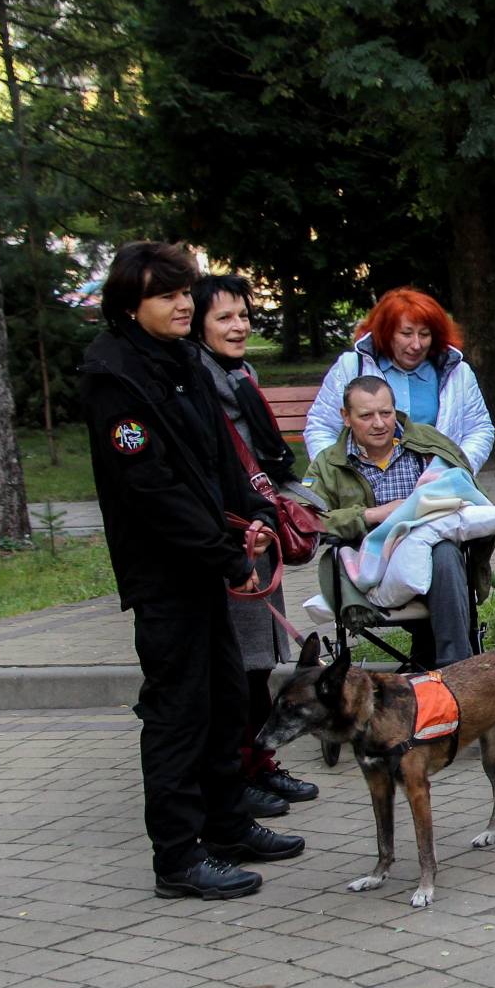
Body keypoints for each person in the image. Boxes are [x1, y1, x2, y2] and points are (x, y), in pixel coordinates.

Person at [79, 242, 305, 900]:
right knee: (178, 712)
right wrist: (225, 556)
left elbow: (219, 459)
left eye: (187, 292)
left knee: (226, 697)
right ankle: (177, 857)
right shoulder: (113, 375)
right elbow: (152, 491)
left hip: (208, 561)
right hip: (165, 575)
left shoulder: (182, 359)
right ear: (129, 304)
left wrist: (255, 514)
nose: (185, 304)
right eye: (167, 294)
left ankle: (228, 824)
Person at [189, 274, 318, 813]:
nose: (238, 325)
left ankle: (258, 763)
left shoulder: (241, 374)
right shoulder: (196, 381)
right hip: (229, 535)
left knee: (261, 659)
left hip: (259, 527)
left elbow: (265, 458)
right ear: (197, 325)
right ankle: (239, 770)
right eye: (224, 317)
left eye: (243, 315)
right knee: (239, 664)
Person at [305, 375, 481, 669]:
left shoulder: (427, 445)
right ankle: (439, 665)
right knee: (443, 556)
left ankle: (455, 670)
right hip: (369, 565)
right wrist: (371, 515)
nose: (379, 423)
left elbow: (471, 492)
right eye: (366, 415)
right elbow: (306, 518)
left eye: (386, 413)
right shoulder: (328, 463)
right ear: (345, 417)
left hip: (432, 557)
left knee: (447, 552)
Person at [305, 288, 495, 473]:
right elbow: (321, 427)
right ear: (386, 333)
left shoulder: (458, 372)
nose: (416, 344)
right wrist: (340, 476)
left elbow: (479, 430)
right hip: (364, 493)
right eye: (406, 334)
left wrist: (454, 471)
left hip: (439, 489)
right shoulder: (352, 366)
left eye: (424, 334)